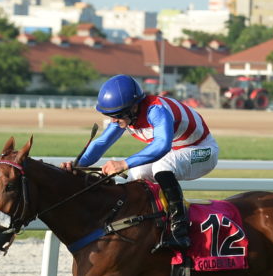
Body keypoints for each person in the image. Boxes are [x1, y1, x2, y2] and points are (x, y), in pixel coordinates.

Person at [68, 74, 219, 252]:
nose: (113, 121)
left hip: (203, 151)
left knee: (161, 166)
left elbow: (162, 145)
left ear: (133, 107)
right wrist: (76, 164)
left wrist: (123, 164)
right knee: (137, 173)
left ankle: (181, 230)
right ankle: (149, 224)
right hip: (175, 151)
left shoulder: (156, 110)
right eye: (110, 116)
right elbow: (101, 144)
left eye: (116, 116)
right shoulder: (126, 114)